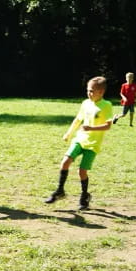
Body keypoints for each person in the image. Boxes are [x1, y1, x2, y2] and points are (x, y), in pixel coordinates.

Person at [44, 76, 113, 210]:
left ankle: (84, 196)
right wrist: (68, 133)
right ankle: (60, 191)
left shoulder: (106, 105)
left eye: (92, 91)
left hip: (93, 144)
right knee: (65, 162)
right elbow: (78, 119)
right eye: (88, 90)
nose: (89, 93)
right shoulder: (85, 103)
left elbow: (108, 126)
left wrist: (91, 128)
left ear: (101, 92)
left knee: (82, 172)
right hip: (80, 139)